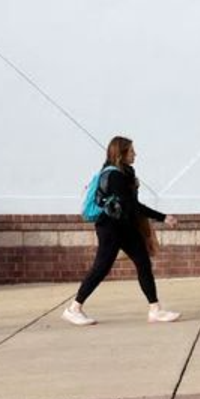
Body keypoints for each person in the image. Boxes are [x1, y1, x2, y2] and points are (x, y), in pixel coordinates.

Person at [62, 135, 180, 325]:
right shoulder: (115, 176)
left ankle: (155, 309)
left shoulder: (126, 173)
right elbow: (133, 206)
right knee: (101, 268)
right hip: (110, 228)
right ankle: (73, 308)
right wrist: (163, 217)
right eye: (132, 151)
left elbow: (129, 205)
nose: (136, 154)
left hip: (124, 226)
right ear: (121, 154)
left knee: (143, 262)